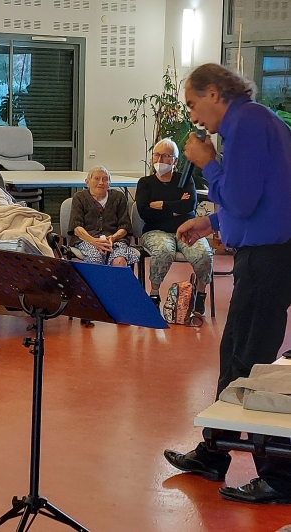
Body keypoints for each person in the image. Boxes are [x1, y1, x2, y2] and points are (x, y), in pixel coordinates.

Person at [164, 63, 291, 504]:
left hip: (270, 258)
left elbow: (240, 195)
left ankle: (280, 476)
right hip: (264, 253)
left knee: (251, 361)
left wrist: (207, 164)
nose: (193, 116)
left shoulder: (247, 124)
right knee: (235, 354)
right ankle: (214, 453)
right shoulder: (252, 122)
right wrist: (212, 221)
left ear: (214, 93)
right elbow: (265, 196)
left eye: (193, 103)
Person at [135, 138, 213, 314]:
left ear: (175, 161)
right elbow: (144, 212)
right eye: (156, 155)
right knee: (163, 251)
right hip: (156, 231)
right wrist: (176, 206)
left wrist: (161, 204)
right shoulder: (145, 183)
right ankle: (154, 295)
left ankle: (200, 296)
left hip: (187, 229)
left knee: (203, 254)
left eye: (165, 156)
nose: (159, 160)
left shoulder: (185, 180)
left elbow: (190, 205)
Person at [68, 166, 138, 267]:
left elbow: (125, 226)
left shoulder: (118, 197)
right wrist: (94, 241)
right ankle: (99, 283)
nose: (101, 182)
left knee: (119, 261)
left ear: (109, 183)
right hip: (87, 240)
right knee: (95, 261)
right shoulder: (79, 197)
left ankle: (116, 283)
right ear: (87, 182)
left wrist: (112, 238)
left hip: (115, 240)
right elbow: (76, 228)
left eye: (105, 179)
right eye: (96, 179)